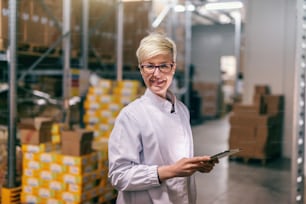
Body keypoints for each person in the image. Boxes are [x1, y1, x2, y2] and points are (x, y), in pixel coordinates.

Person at [108, 33, 218, 204]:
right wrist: (170, 171)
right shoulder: (131, 116)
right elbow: (119, 176)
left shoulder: (182, 110)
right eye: (149, 66)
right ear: (141, 69)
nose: (157, 74)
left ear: (173, 67)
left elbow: (175, 159)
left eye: (164, 66)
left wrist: (195, 166)